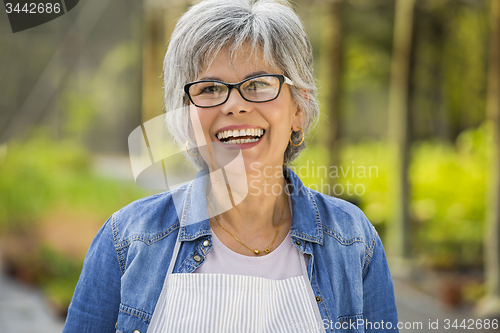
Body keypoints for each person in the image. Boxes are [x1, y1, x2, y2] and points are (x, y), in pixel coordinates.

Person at [63, 0, 399, 332]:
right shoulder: (126, 240)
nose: (235, 105)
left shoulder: (353, 240)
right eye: (210, 88)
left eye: (258, 84)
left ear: (299, 108)